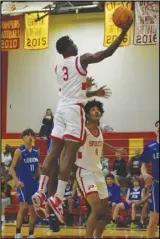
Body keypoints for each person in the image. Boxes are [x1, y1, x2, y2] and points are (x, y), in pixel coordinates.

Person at [32, 18, 133, 223]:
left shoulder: (58, 67)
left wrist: (93, 91)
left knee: (53, 152)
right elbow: (105, 54)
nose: (76, 44)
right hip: (73, 111)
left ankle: (41, 192)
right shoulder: (81, 59)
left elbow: (73, 91)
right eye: (72, 42)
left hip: (60, 109)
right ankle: (58, 198)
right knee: (69, 154)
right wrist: (123, 32)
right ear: (67, 47)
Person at [75, 100, 126, 238]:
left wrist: (116, 150)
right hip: (84, 171)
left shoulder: (99, 131)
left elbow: (101, 143)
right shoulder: (82, 131)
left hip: (97, 172)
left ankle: (98, 236)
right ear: (87, 114)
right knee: (96, 207)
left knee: (104, 211)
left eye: (98, 109)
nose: (96, 111)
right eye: (93, 109)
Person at [10, 129, 40, 239]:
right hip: (22, 182)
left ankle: (31, 234)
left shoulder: (36, 151)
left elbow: (38, 167)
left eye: (32, 135)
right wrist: (16, 181)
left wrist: (39, 181)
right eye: (27, 135)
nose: (30, 137)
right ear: (23, 138)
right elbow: (12, 168)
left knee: (33, 210)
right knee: (23, 207)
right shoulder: (19, 151)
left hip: (33, 182)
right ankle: (18, 232)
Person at [140, 120, 159, 238]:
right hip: (157, 186)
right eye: (157, 126)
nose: (159, 128)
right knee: (153, 219)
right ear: (155, 130)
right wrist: (144, 174)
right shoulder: (150, 146)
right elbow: (143, 165)